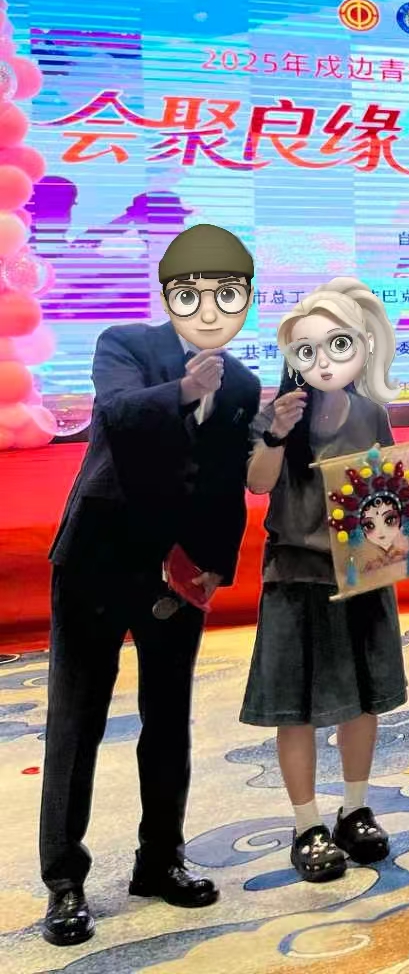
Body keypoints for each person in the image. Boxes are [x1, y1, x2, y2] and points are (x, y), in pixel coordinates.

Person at [38, 224, 261, 947]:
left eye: (228, 294)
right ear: (168, 297)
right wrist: (184, 389)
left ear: (247, 301)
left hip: (178, 571)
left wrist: (217, 563)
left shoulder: (244, 383)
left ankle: (160, 859)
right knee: (77, 721)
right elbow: (117, 415)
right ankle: (64, 881)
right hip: (99, 560)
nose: (210, 308)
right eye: (192, 293)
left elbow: (225, 483)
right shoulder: (125, 345)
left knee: (169, 718)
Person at [241, 278, 407, 883]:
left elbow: (389, 492)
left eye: (337, 346)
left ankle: (355, 810)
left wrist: (396, 544)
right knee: (298, 707)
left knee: (364, 701)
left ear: (361, 346)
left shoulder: (372, 413)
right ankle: (306, 824)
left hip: (362, 576)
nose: (323, 361)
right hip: (296, 575)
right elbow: (258, 482)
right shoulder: (278, 412)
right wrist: (275, 434)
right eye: (306, 350)